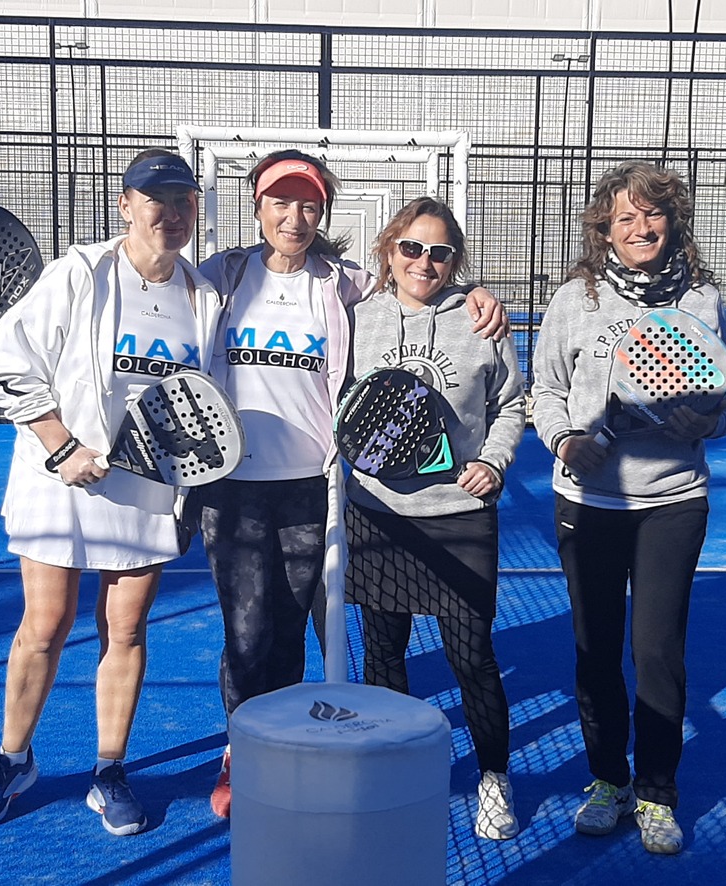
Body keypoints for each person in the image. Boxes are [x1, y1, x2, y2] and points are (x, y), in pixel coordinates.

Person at [194, 150, 508, 818]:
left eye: (308, 204)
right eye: (281, 201)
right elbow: (157, 290)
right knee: (247, 632)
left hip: (316, 488)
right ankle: (241, 752)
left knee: (301, 633)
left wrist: (478, 292)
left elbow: (428, 290)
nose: (294, 216)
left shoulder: (345, 287)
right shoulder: (221, 275)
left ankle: (294, 748)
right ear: (258, 205)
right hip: (236, 488)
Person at [0, 150, 221, 836]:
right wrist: (62, 446)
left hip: (147, 489)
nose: (171, 213)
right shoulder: (79, 272)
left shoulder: (204, 296)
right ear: (125, 205)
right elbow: (9, 364)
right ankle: (12, 760)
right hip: (58, 478)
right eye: (156, 200)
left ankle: (109, 771)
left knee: (126, 629)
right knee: (44, 625)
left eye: (183, 200)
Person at [529, 160, 726, 857]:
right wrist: (566, 439)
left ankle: (656, 793)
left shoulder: (701, 299)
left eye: (653, 213)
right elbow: (545, 390)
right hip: (588, 501)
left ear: (673, 221)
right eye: (625, 217)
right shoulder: (574, 300)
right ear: (604, 230)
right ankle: (608, 782)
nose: (641, 227)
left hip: (674, 500)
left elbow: (724, 397)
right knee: (595, 650)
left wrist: (707, 422)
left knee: (657, 652)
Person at [343, 197, 526, 840]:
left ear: (456, 261)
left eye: (440, 252)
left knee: (471, 657)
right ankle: (394, 770)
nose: (424, 262)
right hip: (379, 515)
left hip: (459, 515)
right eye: (411, 248)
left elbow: (511, 403)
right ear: (388, 251)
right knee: (383, 655)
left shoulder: (481, 321)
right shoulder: (355, 319)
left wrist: (495, 462)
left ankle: (494, 777)